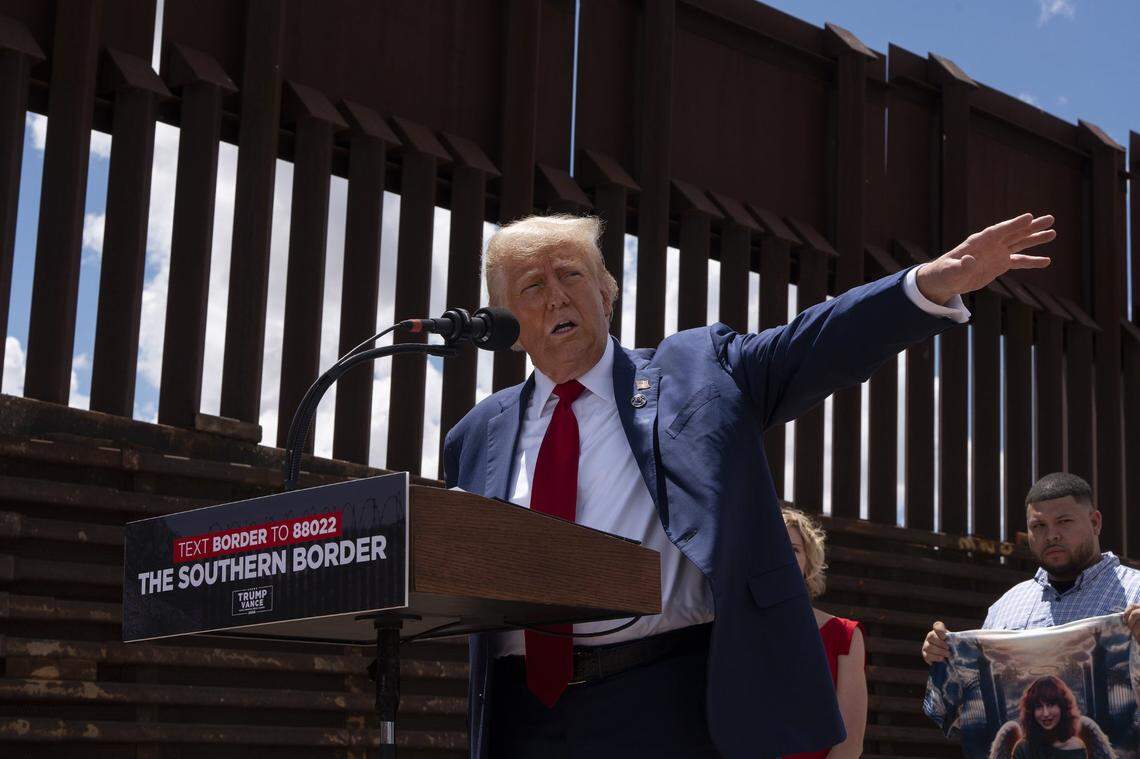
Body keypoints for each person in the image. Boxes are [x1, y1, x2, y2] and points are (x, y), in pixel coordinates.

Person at [444, 211, 1055, 758]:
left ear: (607, 292)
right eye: (532, 286)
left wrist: (929, 285)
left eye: (571, 276)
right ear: (505, 322)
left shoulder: (697, 372)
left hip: (662, 699)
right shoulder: (475, 436)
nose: (556, 298)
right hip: (520, 716)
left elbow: (814, 343)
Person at [922, 472, 1140, 666]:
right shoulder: (1004, 608)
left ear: (1095, 523)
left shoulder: (1136, 591)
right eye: (1039, 526)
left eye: (1064, 521)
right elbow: (979, 697)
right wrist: (945, 655)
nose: (1052, 535)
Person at [782, 507, 866, 759]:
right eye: (774, 545)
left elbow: (850, 744)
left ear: (808, 563)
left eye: (794, 549)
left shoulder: (844, 635)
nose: (783, 555)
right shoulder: (734, 630)